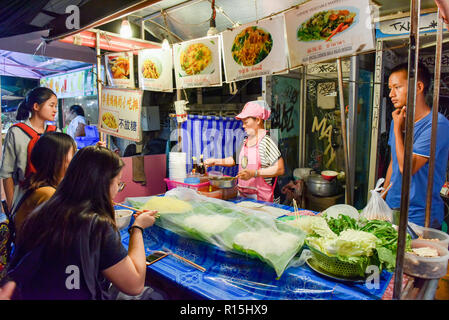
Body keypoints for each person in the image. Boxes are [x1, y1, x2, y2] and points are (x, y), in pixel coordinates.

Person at [7, 146, 159, 299]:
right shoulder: (95, 225)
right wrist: (138, 228)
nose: (117, 189)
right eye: (118, 183)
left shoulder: (43, 212)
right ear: (103, 184)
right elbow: (134, 284)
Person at [384, 62, 449, 229]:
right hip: (392, 207)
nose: (391, 94)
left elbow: (407, 168)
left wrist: (398, 130)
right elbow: (394, 162)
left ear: (418, 87)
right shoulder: (398, 119)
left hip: (420, 215)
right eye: (390, 88)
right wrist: (381, 197)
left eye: (397, 87)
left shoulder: (437, 124)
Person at [204, 100, 285, 202]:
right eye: (242, 122)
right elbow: (235, 160)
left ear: (258, 120)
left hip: (265, 200)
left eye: (246, 122)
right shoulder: (246, 139)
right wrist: (215, 161)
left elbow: (279, 169)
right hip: (244, 197)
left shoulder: (267, 140)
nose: (243, 125)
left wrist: (254, 173)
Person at [0, 87, 58, 212]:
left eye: (55, 106)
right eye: (51, 105)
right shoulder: (15, 132)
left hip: (51, 199)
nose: (55, 110)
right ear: (36, 106)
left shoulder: (55, 133)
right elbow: (7, 174)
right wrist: (11, 208)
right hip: (24, 200)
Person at [10, 132, 77, 233]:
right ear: (58, 159)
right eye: (72, 154)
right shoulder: (47, 193)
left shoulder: (35, 182)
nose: (74, 160)